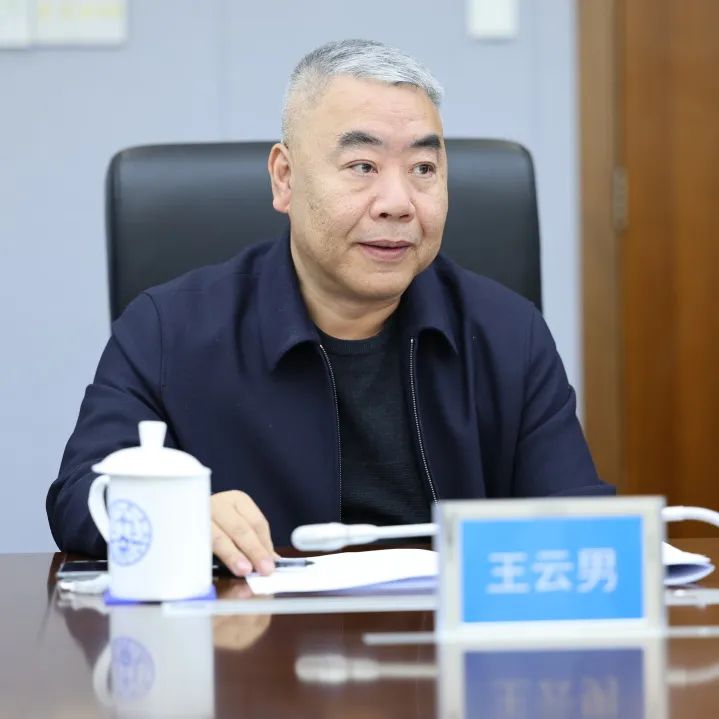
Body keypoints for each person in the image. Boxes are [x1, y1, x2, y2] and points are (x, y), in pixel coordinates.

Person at [47, 39, 613, 577]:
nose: (397, 203)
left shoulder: (508, 333)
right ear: (285, 178)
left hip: (442, 639)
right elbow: (78, 494)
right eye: (363, 166)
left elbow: (578, 524)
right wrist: (176, 515)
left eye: (423, 169)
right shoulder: (168, 329)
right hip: (255, 639)